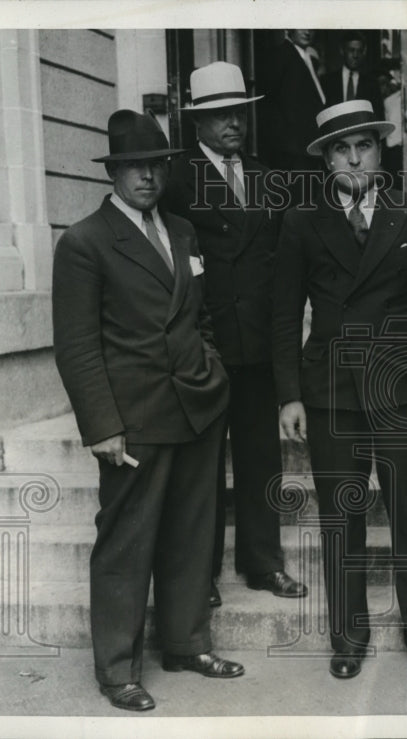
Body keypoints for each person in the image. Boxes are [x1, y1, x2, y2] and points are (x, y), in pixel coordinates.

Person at [52, 110, 244, 712]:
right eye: (134, 167)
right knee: (126, 545)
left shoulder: (182, 231)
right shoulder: (84, 242)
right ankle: (117, 670)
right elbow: (77, 346)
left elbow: (200, 317)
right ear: (113, 173)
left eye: (156, 165)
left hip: (197, 407)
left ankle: (187, 645)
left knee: (192, 536)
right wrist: (102, 426)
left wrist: (213, 372)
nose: (147, 177)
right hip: (134, 419)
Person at [271, 100, 407, 680]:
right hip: (332, 391)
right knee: (340, 518)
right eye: (341, 149)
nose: (354, 159)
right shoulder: (303, 220)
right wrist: (289, 394)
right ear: (327, 160)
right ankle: (348, 635)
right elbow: (283, 314)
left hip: (403, 391)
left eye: (364, 146)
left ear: (380, 151)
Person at [164, 61, 307, 606]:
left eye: (239, 113)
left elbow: (280, 268)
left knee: (260, 459)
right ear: (197, 122)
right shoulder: (175, 179)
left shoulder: (268, 178)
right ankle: (198, 576)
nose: (233, 123)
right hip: (204, 346)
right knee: (200, 468)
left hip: (258, 345)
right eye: (221, 114)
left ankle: (262, 563)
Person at [259, 29, 326, 174]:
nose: (307, 31)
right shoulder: (280, 55)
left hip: (307, 150)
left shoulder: (307, 58)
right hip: (291, 154)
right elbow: (270, 105)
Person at [320, 30, 383, 116]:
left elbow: (378, 116)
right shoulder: (327, 82)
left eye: (359, 51)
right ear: (342, 51)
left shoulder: (372, 84)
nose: (355, 55)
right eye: (351, 50)